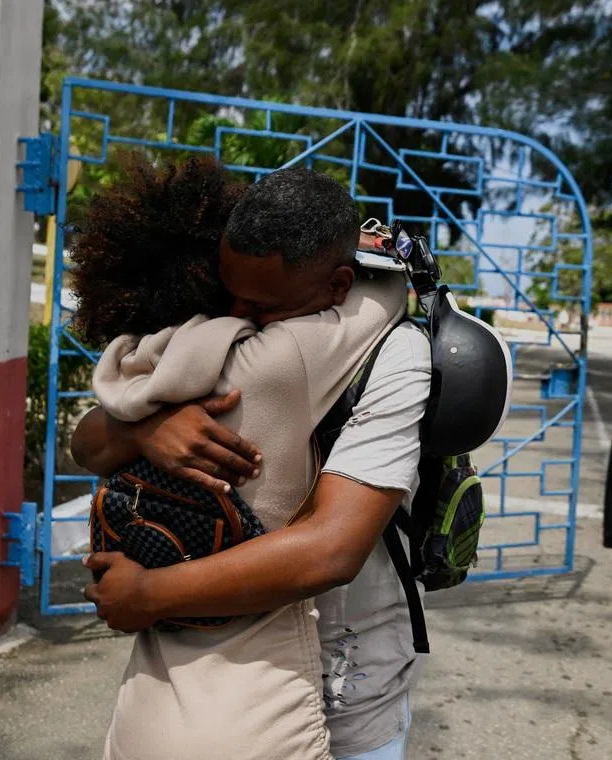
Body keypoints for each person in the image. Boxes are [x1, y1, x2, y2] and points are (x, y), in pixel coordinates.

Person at [73, 165, 431, 760]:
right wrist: (149, 428)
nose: (237, 312)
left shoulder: (396, 355)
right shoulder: (226, 338)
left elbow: (333, 548)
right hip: (228, 679)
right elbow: (86, 443)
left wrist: (151, 594)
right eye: (227, 291)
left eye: (262, 304)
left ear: (339, 285)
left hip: (351, 686)